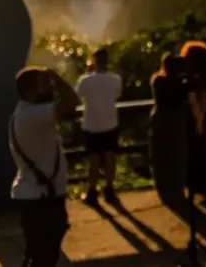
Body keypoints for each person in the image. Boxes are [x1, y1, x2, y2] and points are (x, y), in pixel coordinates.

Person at [10, 67, 80, 267]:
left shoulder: (26, 112)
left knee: (39, 255)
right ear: (33, 90)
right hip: (41, 199)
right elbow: (72, 101)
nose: (50, 87)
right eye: (45, 83)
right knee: (44, 258)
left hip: (38, 196)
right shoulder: (34, 114)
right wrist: (57, 78)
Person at [75, 48, 123, 205]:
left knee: (93, 160)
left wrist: (89, 73)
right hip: (110, 122)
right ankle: (109, 189)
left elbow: (78, 96)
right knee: (110, 157)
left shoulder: (85, 80)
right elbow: (116, 95)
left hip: (92, 124)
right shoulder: (116, 79)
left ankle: (92, 191)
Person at [180, 41, 206, 196]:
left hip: (195, 119)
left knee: (196, 147)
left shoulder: (192, 84)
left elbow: (198, 107)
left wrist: (198, 122)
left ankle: (198, 182)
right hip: (205, 118)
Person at [149, 54, 189, 208]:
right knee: (177, 155)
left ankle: (164, 190)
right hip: (175, 119)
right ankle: (177, 190)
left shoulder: (157, 81)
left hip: (159, 118)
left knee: (160, 155)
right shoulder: (180, 83)